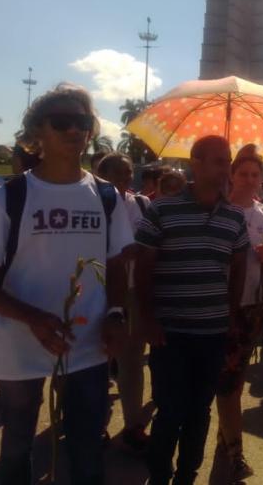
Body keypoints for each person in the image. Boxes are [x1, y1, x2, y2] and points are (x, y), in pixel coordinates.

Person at [0, 83, 131, 485]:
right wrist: (33, 318)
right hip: (17, 347)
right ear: (36, 133)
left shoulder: (106, 196)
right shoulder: (7, 198)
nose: (74, 130)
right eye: (61, 122)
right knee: (16, 447)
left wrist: (116, 312)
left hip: (87, 345)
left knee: (86, 449)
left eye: (82, 122)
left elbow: (116, 265)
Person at [135, 135, 248, 485]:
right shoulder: (161, 210)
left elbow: (239, 267)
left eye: (227, 160)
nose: (225, 167)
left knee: (200, 412)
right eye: (217, 160)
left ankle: (187, 475)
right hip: (170, 333)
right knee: (170, 412)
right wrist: (148, 319)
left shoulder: (235, 217)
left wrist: (229, 315)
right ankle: (159, 476)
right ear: (194, 163)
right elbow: (143, 268)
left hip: (212, 333)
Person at [215, 148, 263, 482]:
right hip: (223, 305)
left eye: (256, 175)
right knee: (228, 380)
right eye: (244, 174)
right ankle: (234, 452)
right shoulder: (219, 211)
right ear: (232, 176)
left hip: (256, 303)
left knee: (237, 377)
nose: (250, 180)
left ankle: (225, 431)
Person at [96, 152, 151, 451]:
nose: (123, 180)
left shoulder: (142, 204)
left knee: (132, 362)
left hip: (132, 291)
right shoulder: (91, 203)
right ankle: (95, 423)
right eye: (116, 174)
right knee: (96, 360)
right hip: (96, 291)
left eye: (127, 173)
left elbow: (154, 242)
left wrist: (139, 252)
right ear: (101, 175)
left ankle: (133, 425)